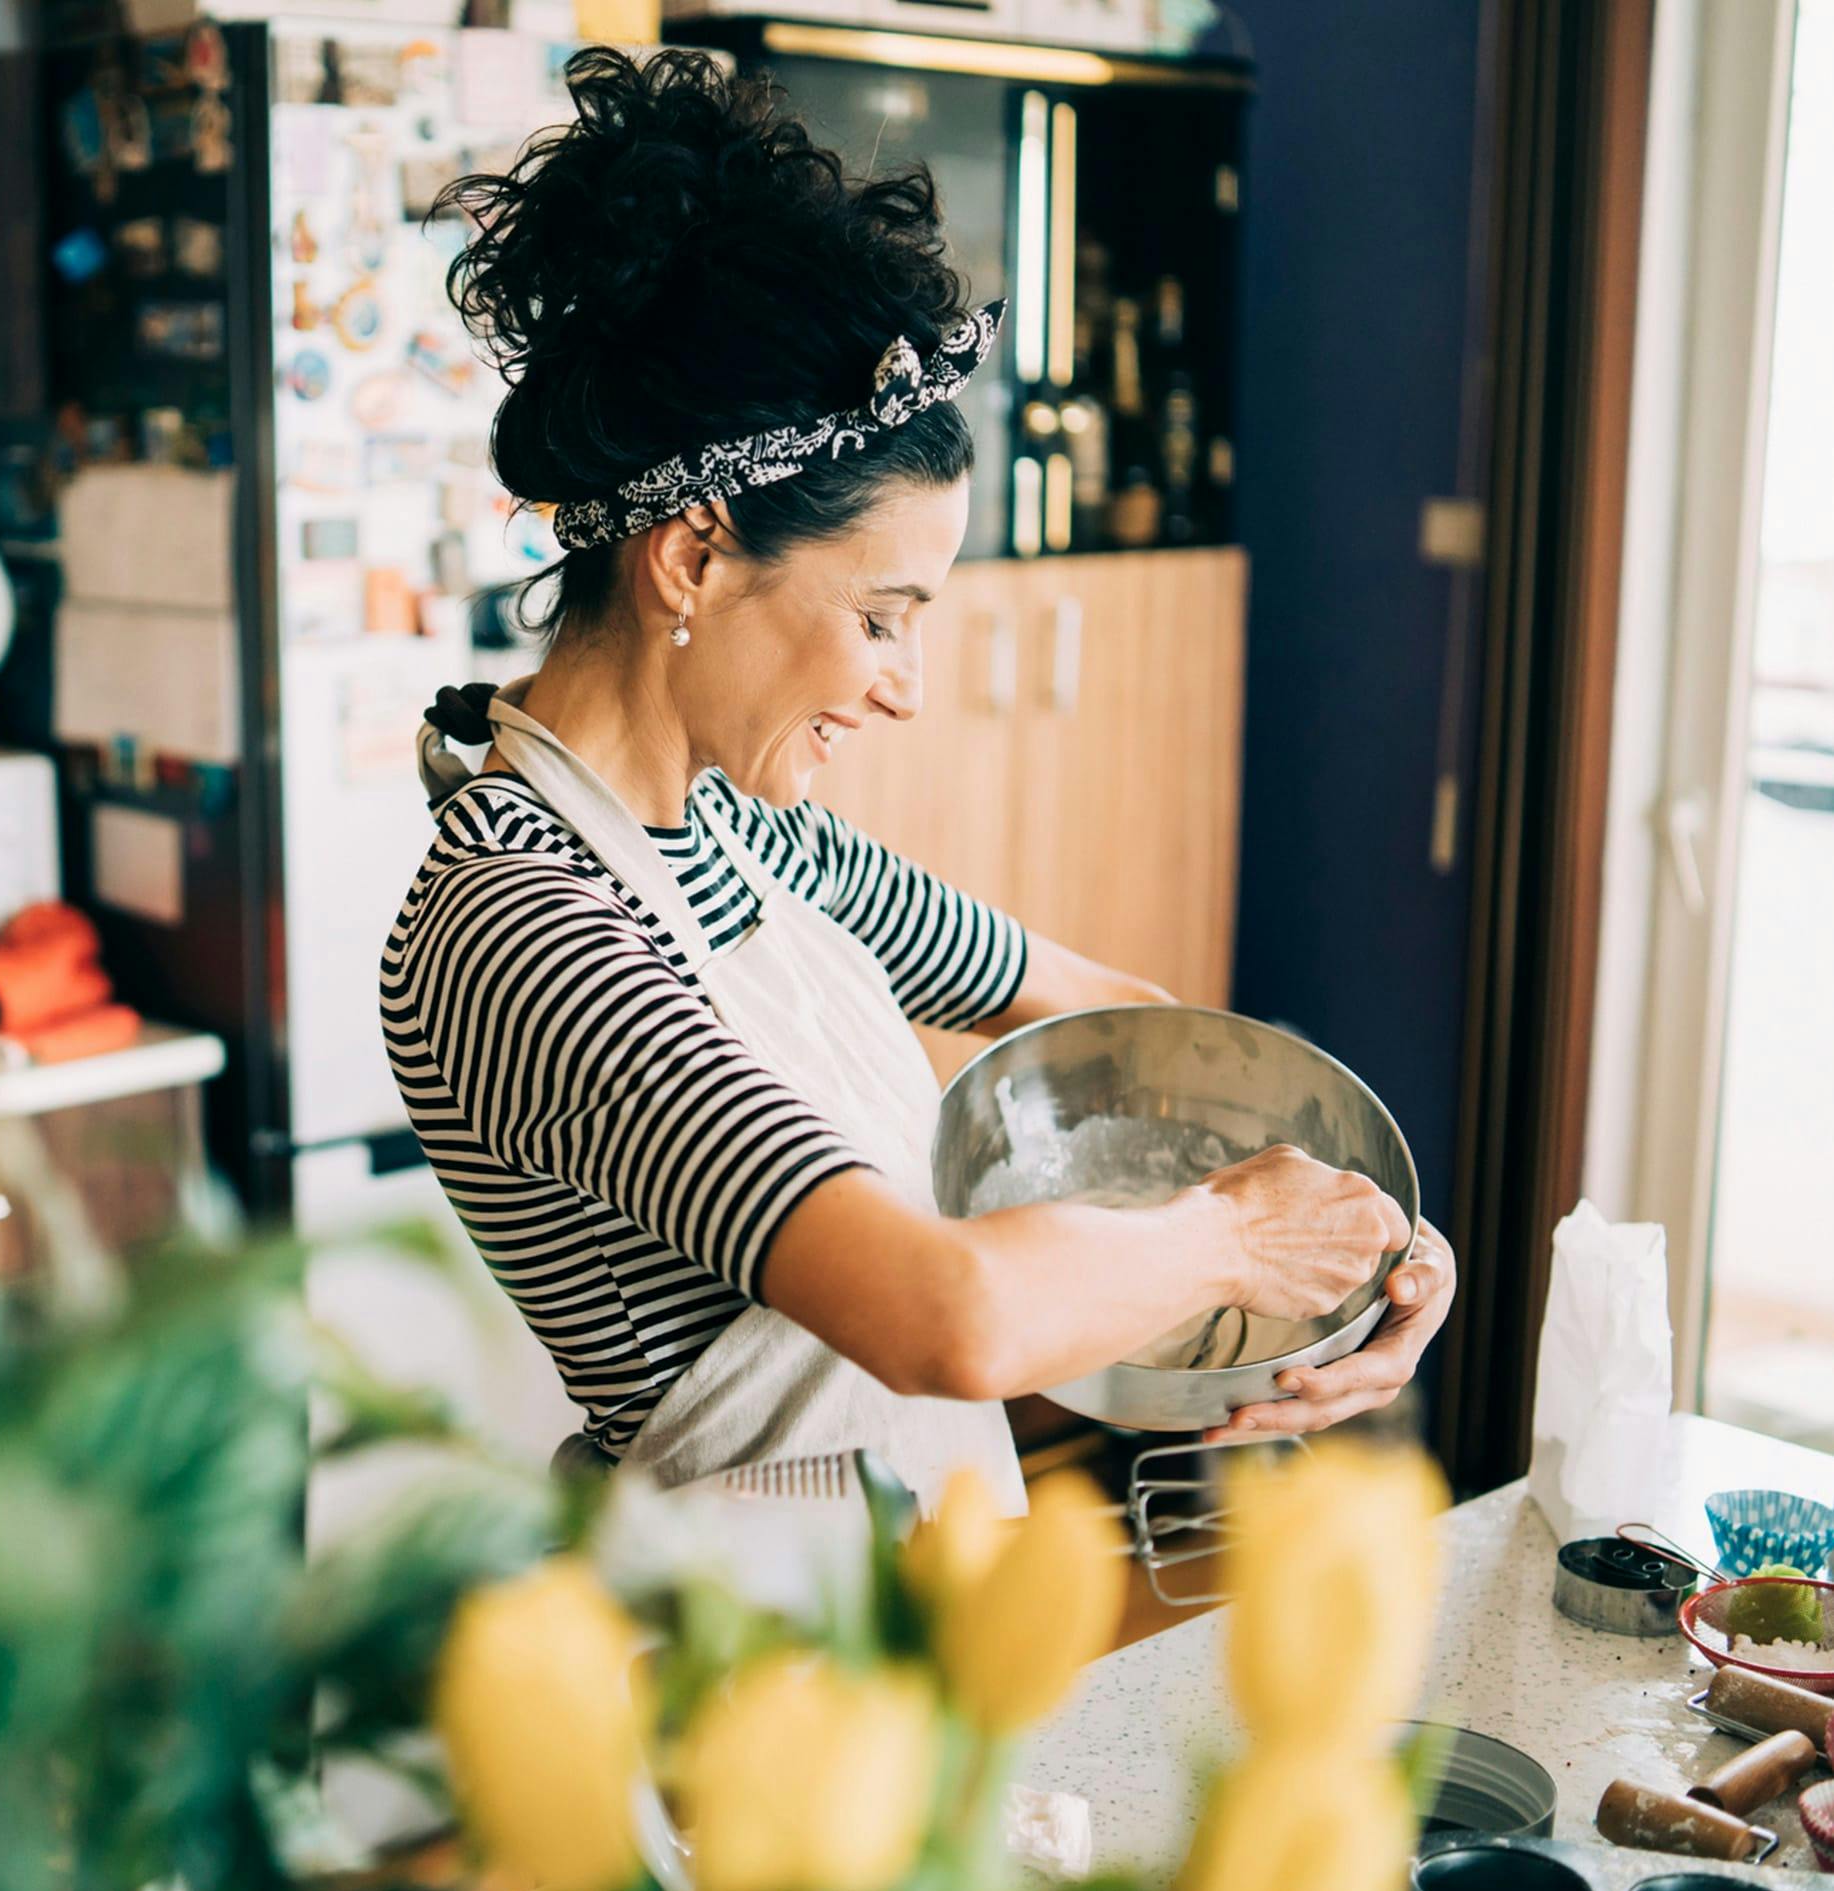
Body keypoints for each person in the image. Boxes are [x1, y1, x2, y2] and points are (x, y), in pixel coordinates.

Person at [388, 48, 1456, 1513]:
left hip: (900, 1599)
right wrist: (1230, 1240)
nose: (905, 682)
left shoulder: (761, 838)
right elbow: (941, 1315)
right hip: (723, 1652)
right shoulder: (522, 930)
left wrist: (1374, 1241)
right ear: (692, 556)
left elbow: (1130, 1036)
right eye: (879, 615)